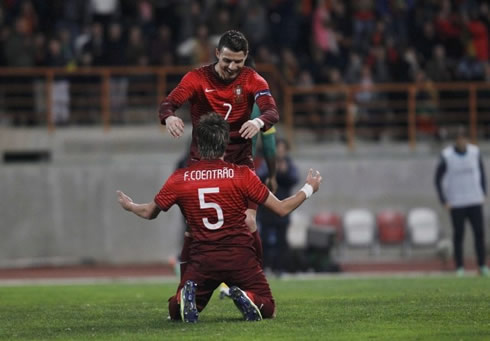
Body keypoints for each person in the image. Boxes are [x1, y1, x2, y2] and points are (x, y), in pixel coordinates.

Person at [117, 113, 322, 322]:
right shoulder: (242, 175)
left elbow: (149, 212)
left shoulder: (180, 178)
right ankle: (247, 296)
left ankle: (183, 299)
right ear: (225, 144)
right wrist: (309, 188)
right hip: (239, 256)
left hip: (202, 259)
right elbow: (281, 208)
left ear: (197, 143)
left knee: (175, 312)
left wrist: (131, 206)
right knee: (267, 306)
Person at [158, 30, 280, 275]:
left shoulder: (253, 79)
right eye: (227, 60)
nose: (232, 67)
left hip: (239, 160)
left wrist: (258, 122)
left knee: (249, 221)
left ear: (246, 58)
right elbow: (167, 104)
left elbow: (271, 112)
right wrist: (169, 117)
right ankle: (187, 286)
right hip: (203, 160)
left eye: (239, 61)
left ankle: (253, 281)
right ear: (216, 54)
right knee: (194, 228)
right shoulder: (196, 78)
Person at [434, 127, 489, 277]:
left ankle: (482, 266)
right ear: (455, 140)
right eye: (458, 138)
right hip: (456, 202)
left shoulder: (474, 153)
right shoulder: (447, 155)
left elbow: (482, 172)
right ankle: (459, 267)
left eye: (464, 137)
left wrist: (484, 191)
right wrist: (443, 199)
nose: (461, 140)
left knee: (479, 233)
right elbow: (437, 179)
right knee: (459, 235)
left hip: (474, 199)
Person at [257, 138, 299, 275]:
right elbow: (258, 177)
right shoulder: (267, 163)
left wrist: (284, 172)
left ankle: (280, 268)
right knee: (264, 240)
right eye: (278, 149)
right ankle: (264, 267)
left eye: (282, 149)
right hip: (267, 207)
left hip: (284, 206)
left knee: (282, 241)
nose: (280, 152)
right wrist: (273, 172)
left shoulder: (289, 164)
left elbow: (295, 178)